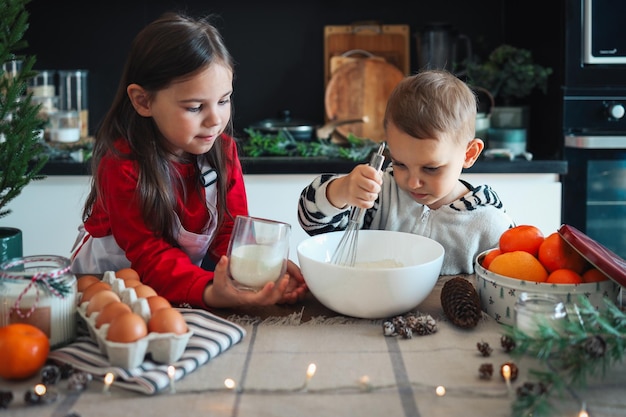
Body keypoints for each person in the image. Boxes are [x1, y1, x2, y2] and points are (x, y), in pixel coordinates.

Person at [71, 12, 307, 309]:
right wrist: (210, 291)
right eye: (195, 107)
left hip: (173, 286)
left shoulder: (223, 151)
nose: (215, 120)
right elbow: (149, 253)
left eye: (224, 100)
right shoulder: (122, 164)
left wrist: (258, 273)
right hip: (105, 283)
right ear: (143, 101)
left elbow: (229, 233)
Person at [297, 69, 514, 275]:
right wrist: (341, 191)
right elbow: (311, 222)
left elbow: (507, 283)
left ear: (469, 154)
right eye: (400, 163)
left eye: (430, 168)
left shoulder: (490, 224)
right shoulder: (379, 195)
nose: (412, 182)